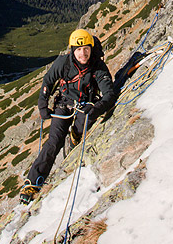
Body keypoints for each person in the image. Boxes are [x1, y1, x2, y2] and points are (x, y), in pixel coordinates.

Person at [19, 29, 116, 204]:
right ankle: (33, 182)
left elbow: (109, 94)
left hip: (86, 105)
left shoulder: (98, 67)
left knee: (80, 127)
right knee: (54, 141)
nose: (83, 53)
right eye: (78, 50)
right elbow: (48, 82)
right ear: (72, 50)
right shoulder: (63, 63)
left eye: (86, 48)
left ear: (91, 48)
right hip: (63, 104)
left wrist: (95, 109)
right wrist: (43, 105)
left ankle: (75, 136)